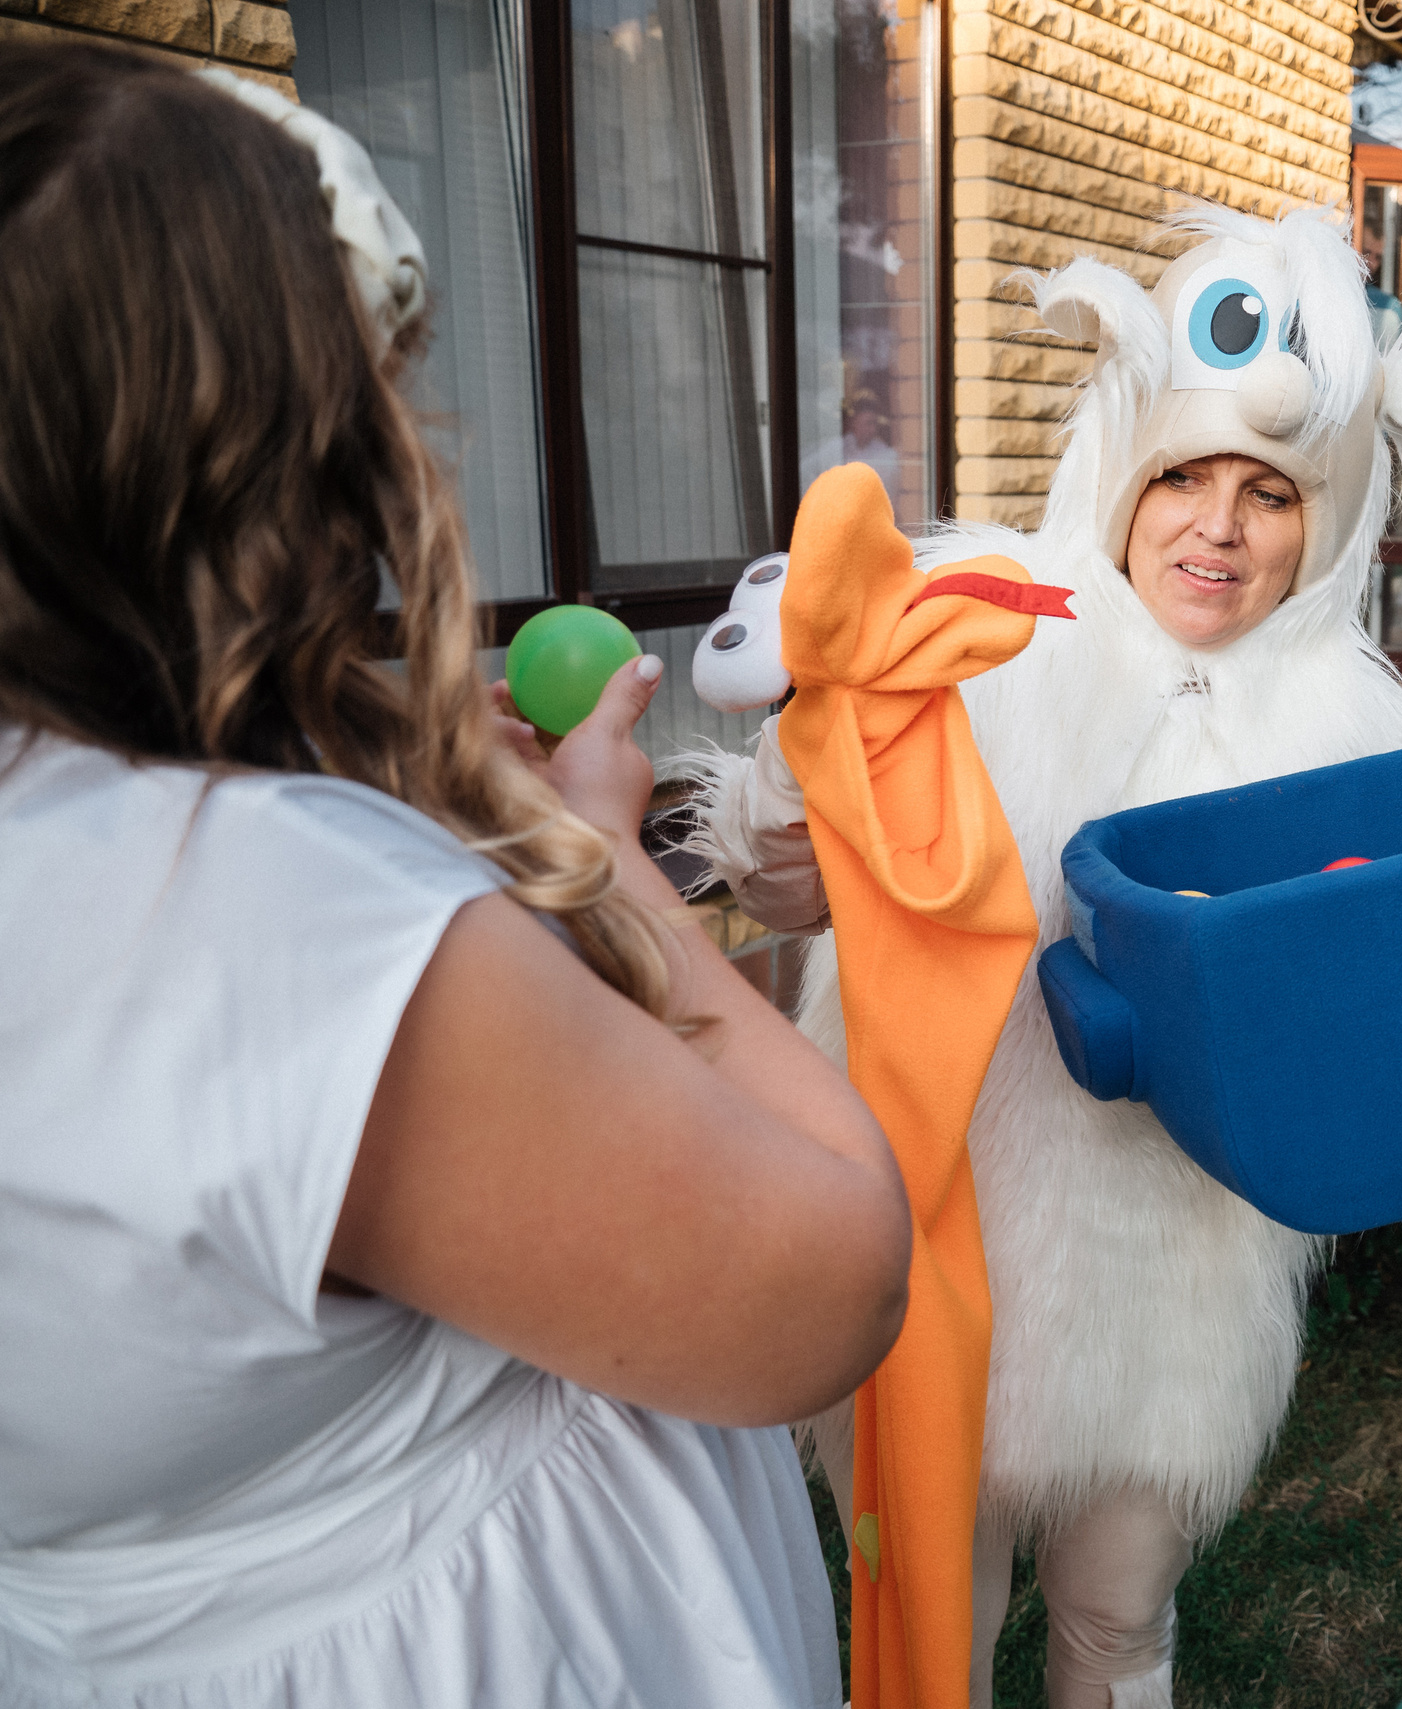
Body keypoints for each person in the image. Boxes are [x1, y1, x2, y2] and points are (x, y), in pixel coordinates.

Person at [0, 47, 911, 1706]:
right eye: (378, 393)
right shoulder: (273, 921)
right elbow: (834, 1270)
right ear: (277, 453)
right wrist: (594, 854)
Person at [691, 205, 1402, 1709]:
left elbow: (1369, 1010)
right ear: (1123, 469)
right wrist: (797, 847)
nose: (1218, 528)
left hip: (1177, 1269)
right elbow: (824, 883)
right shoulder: (984, 633)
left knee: (1118, 1623)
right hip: (953, 1227)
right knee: (931, 1612)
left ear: (1333, 511)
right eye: (1182, 474)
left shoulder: (1354, 727)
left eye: (1270, 491)